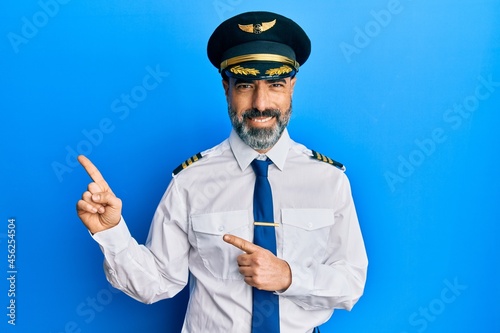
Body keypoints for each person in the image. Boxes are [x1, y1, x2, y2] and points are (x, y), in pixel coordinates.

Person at [76, 11, 368, 333]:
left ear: (292, 87)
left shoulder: (330, 180)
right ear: (225, 88)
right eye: (245, 85)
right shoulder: (190, 180)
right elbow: (157, 282)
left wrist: (289, 276)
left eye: (275, 85)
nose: (260, 104)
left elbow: (351, 282)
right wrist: (111, 231)